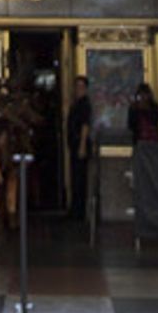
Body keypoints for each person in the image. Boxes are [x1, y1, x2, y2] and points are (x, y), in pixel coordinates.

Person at [66, 75, 92, 221]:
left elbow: (85, 125)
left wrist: (82, 145)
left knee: (80, 179)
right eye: (76, 87)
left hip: (79, 145)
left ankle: (79, 212)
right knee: (75, 178)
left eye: (81, 87)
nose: (78, 90)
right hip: (74, 145)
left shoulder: (84, 105)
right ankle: (75, 208)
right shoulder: (75, 104)